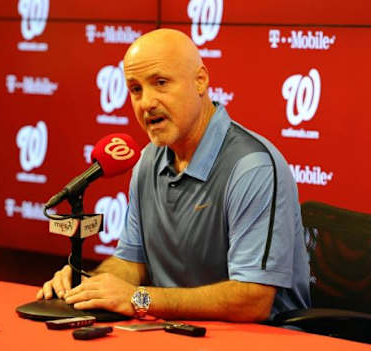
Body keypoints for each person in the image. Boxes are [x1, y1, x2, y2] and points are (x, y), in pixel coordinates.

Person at [37, 28, 310, 322]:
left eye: (161, 83)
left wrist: (139, 299)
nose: (146, 103)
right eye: (136, 89)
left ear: (200, 80)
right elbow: (132, 262)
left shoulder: (252, 167)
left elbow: (252, 300)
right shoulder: (147, 161)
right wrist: (86, 283)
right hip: (174, 330)